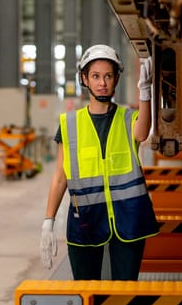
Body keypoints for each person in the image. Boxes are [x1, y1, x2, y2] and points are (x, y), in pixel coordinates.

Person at [40, 44, 160, 280]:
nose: (102, 83)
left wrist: (145, 93)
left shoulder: (128, 118)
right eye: (95, 76)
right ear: (84, 79)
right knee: (87, 291)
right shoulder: (70, 124)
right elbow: (60, 176)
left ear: (116, 79)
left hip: (129, 219)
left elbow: (142, 133)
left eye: (108, 76)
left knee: (125, 293)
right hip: (85, 219)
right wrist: (48, 220)